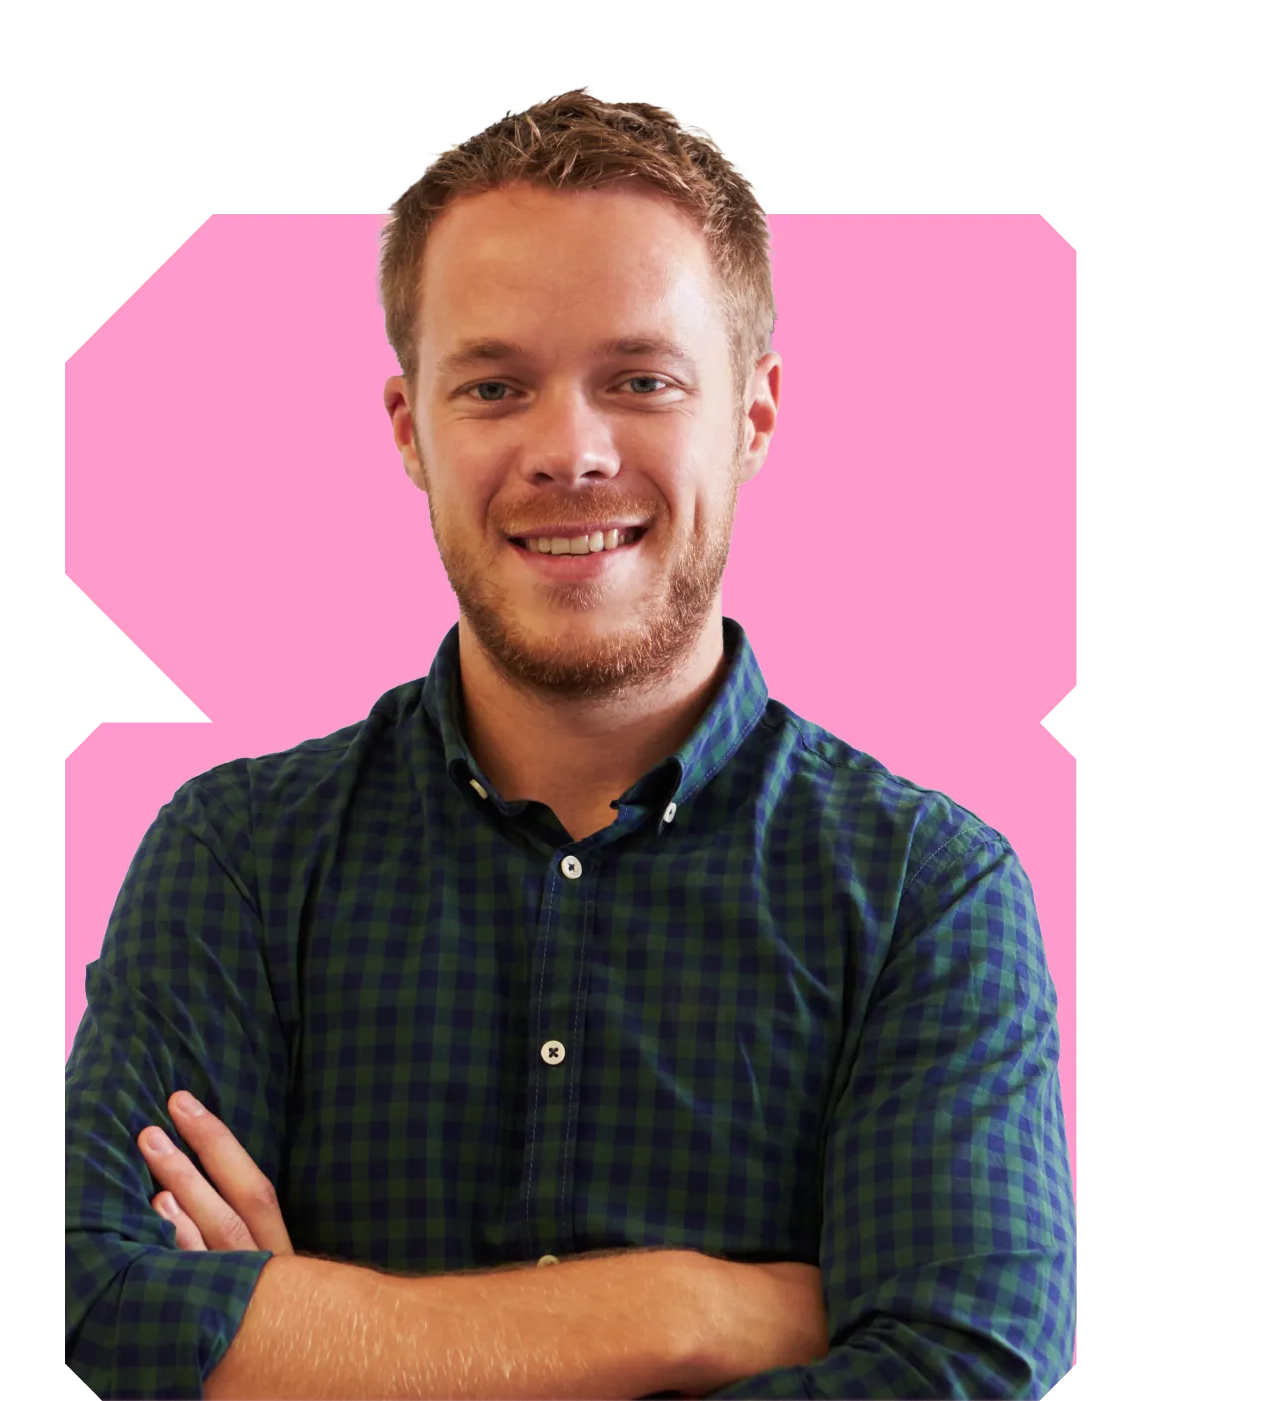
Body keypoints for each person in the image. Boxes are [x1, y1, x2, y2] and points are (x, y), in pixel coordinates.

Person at [63, 86, 1075, 1400]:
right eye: (493, 386)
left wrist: (322, 1343)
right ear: (408, 431)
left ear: (754, 415)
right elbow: (99, 1295)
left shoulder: (924, 893)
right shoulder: (238, 857)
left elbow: (962, 1365)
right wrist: (691, 1308)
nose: (571, 450)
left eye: (641, 380)